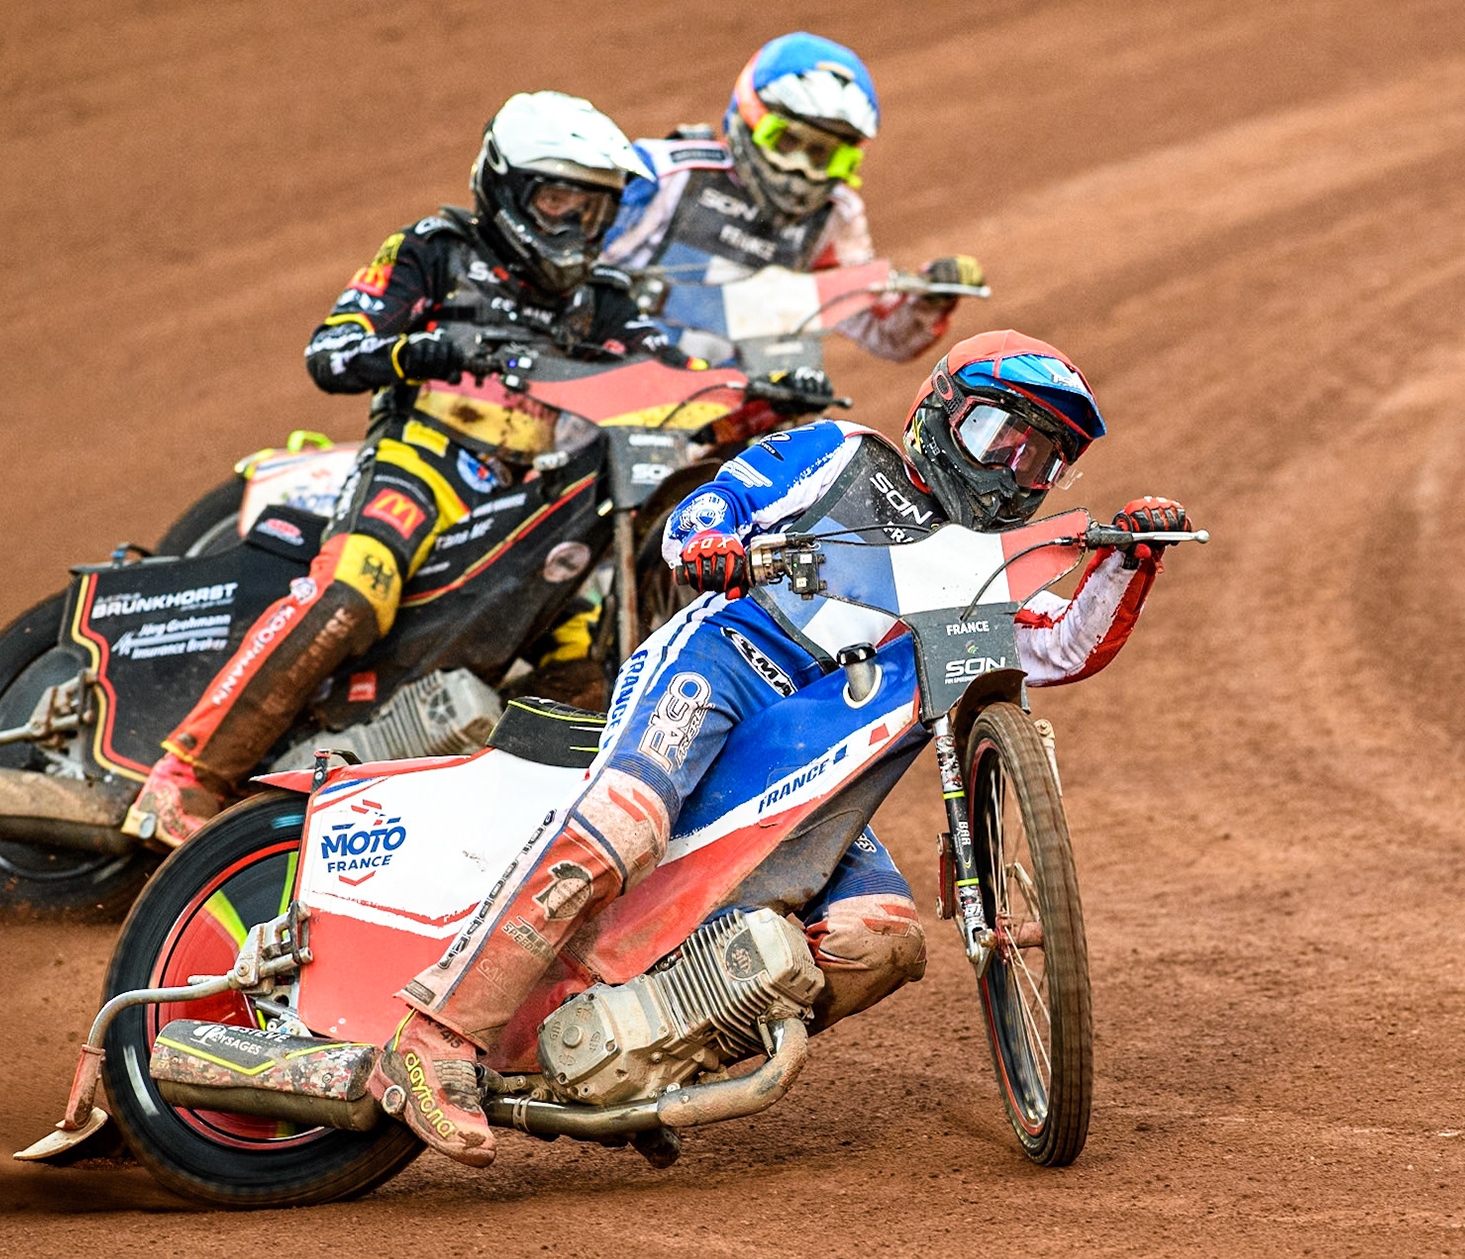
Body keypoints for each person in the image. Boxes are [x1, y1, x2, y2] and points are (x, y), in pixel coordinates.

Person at [372, 330, 1194, 1166]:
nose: (1016, 471)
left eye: (1041, 459)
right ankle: (433, 1036)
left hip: (822, 768)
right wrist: (714, 544)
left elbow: (1058, 646)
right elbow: (706, 511)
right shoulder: (841, 453)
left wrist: (1129, 563)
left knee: (882, 937)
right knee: (625, 825)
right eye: (1000, 439)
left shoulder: (983, 567)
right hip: (723, 667)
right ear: (943, 413)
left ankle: (647, 1061)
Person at [123, 91, 679, 848]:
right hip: (419, 463)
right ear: (507, 186)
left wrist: (761, 390)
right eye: (557, 202)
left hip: (532, 495)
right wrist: (421, 350)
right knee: (356, 589)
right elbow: (332, 350)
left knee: (586, 663)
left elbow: (672, 377)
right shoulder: (437, 250)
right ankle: (185, 779)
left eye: (595, 209)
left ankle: (505, 843)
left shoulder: (602, 299)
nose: (577, 227)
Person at [601, 32, 984, 370]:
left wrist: (929, 299)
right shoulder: (669, 174)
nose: (801, 168)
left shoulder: (835, 215)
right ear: (751, 119)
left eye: (821, 155)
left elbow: (885, 334)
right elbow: (570, 267)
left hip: (741, 412)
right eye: (787, 141)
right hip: (618, 374)